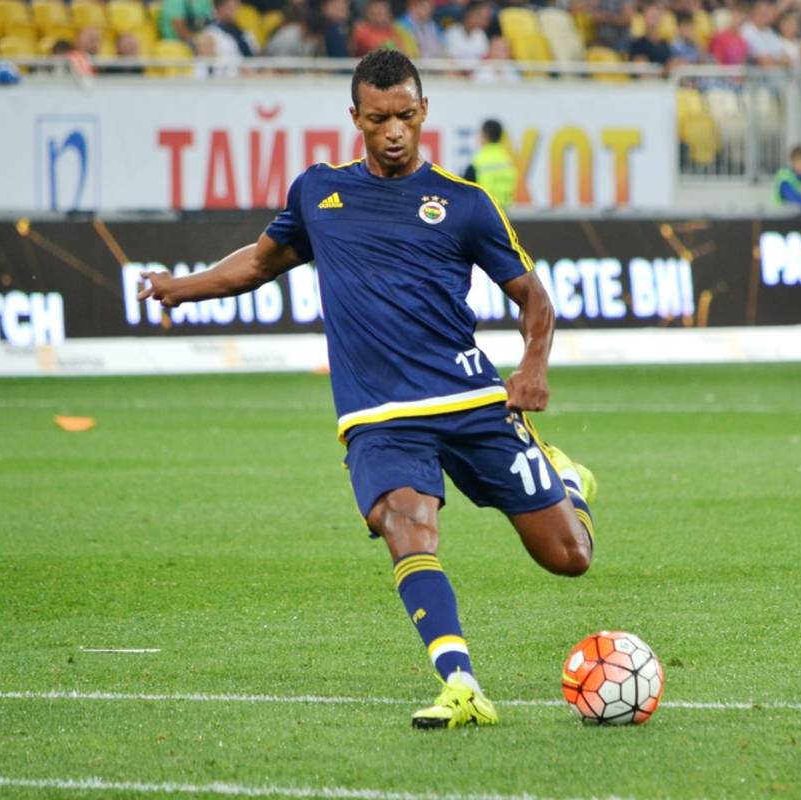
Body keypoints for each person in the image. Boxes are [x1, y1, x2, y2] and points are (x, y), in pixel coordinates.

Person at [137, 50, 598, 730]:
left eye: (406, 116)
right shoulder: (320, 194)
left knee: (569, 558)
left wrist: (532, 368)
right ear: (355, 117)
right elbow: (259, 263)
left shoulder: (466, 204)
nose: (394, 131)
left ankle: (570, 483)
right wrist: (181, 287)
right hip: (379, 414)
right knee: (406, 526)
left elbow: (534, 298)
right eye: (379, 119)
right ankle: (461, 684)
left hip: (470, 402)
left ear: (424, 111)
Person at [463, 118, 519, 209]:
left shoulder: (480, 160)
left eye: (480, 134)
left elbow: (465, 187)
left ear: (485, 135)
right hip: (504, 212)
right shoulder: (507, 160)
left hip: (485, 211)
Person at [740, 0, 794, 65]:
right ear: (754, 12)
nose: (766, 16)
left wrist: (775, 60)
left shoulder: (769, 31)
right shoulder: (747, 30)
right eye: (763, 13)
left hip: (774, 70)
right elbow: (764, 60)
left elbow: (787, 58)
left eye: (767, 13)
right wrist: (779, 61)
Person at [628, 2, 673, 71]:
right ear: (643, 18)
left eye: (655, 15)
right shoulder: (637, 44)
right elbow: (640, 70)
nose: (653, 19)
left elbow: (670, 65)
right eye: (650, 16)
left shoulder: (665, 44)